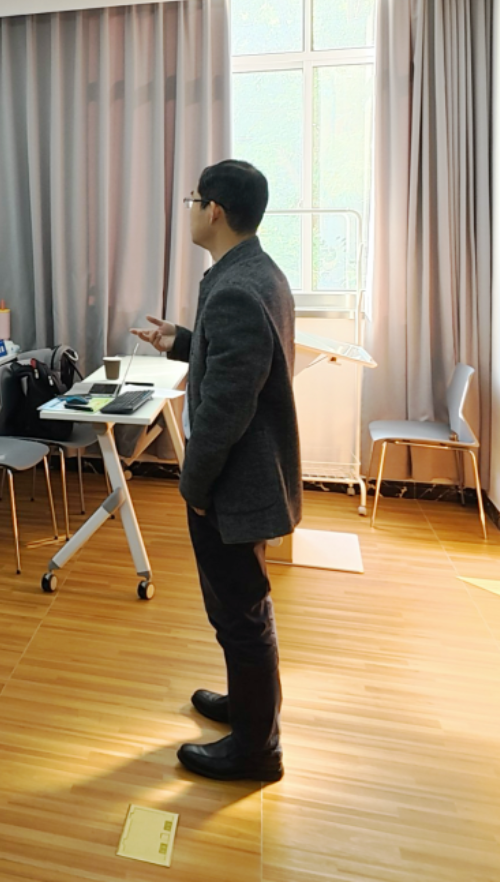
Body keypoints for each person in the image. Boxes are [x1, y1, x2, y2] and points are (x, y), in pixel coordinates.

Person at [132, 159, 300, 784]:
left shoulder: (234, 288)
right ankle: (249, 708)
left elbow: (226, 408)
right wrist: (181, 340)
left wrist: (194, 486)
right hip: (250, 475)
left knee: (241, 615)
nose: (190, 210)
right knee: (242, 608)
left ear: (216, 212)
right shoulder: (254, 271)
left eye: (193, 200)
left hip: (234, 482)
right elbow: (236, 355)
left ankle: (257, 750)